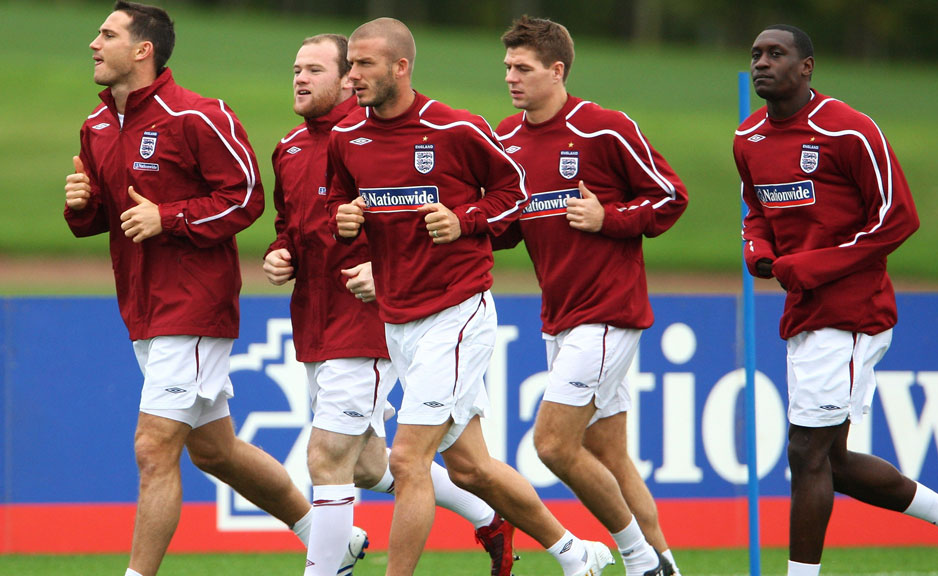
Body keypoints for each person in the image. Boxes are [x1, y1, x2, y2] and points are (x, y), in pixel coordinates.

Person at [326, 17, 615, 576]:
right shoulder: (347, 138)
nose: (351, 76)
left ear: (400, 67)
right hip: (397, 319)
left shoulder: (455, 128)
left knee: (408, 460)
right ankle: (578, 555)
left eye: (363, 64)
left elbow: (516, 193)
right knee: (472, 469)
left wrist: (465, 220)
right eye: (350, 64)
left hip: (456, 314)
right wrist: (345, 221)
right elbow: (343, 205)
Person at [734, 24, 938, 576]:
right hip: (804, 311)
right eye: (756, 54)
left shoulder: (850, 131)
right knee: (835, 463)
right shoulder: (749, 138)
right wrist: (758, 250)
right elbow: (754, 211)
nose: (762, 62)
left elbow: (897, 219)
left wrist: (810, 265)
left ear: (806, 67)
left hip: (853, 312)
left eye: (776, 54)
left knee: (804, 455)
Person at [62, 3, 313, 575]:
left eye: (107, 34)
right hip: (142, 308)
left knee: (153, 449)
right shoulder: (97, 126)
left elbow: (246, 197)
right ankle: (325, 532)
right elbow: (108, 215)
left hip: (194, 306)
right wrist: (82, 208)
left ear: (143, 49)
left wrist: (168, 218)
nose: (94, 44)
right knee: (214, 451)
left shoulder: (197, 115)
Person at [263, 32, 517, 576]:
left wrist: (456, 227)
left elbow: (506, 196)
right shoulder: (296, 147)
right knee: (371, 464)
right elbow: (301, 221)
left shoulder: (440, 128)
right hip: (315, 319)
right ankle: (493, 519)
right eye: (296, 68)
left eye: (318, 69)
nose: (303, 78)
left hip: (372, 321)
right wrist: (282, 250)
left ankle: (327, 567)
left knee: (331, 455)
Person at [493, 16, 688, 576]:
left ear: (557, 71)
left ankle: (638, 561)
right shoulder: (506, 138)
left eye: (523, 68)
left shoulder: (604, 128)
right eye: (507, 66)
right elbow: (506, 225)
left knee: (553, 445)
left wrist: (611, 217)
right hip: (560, 316)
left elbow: (671, 197)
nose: (511, 77)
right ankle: (667, 567)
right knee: (609, 455)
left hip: (608, 313)